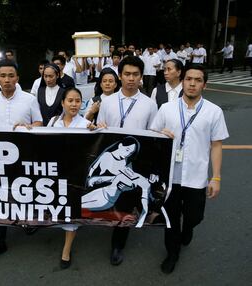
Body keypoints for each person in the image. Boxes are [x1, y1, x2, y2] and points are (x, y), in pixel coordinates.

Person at [150, 64, 229, 274]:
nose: (192, 84)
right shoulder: (166, 108)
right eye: (188, 79)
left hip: (196, 176)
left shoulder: (214, 112)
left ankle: (189, 228)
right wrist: (160, 135)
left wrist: (216, 177)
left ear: (205, 84)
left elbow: (217, 145)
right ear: (182, 81)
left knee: (194, 216)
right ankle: (172, 253)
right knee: (170, 219)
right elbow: (152, 136)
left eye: (198, 80)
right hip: (170, 176)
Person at [0, 59, 43, 263]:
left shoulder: (29, 99)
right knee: (0, 197)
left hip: (24, 155)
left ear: (17, 78)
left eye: (11, 76)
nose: (7, 80)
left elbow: (40, 122)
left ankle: (29, 221)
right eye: (3, 76)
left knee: (25, 191)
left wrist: (29, 125)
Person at [97, 56, 158, 266]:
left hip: (134, 165)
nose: (131, 79)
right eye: (127, 74)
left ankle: (117, 245)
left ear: (141, 77)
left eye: (135, 75)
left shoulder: (149, 104)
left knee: (124, 204)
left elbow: (153, 135)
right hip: (110, 162)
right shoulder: (108, 102)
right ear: (120, 76)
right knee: (108, 199)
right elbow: (100, 130)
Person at [47, 87, 97, 269]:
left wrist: (99, 131)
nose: (74, 104)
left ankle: (66, 249)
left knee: (71, 212)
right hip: (54, 174)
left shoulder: (86, 124)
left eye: (78, 101)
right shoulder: (52, 123)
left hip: (75, 176)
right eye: (70, 100)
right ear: (62, 102)